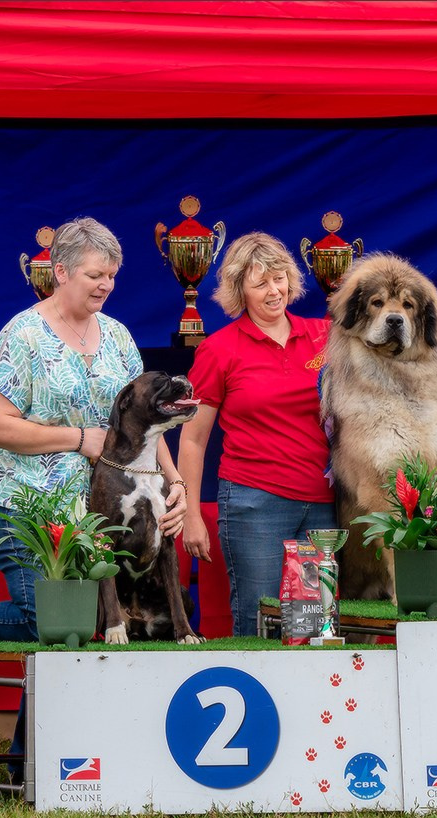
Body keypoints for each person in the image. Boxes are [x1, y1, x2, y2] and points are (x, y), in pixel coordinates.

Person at [0, 216, 187, 782]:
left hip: (101, 520)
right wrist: (77, 438)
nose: (106, 285)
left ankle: (29, 764)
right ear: (60, 271)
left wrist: (176, 486)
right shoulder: (21, 336)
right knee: (49, 619)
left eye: (112, 276)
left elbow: (150, 423)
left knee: (76, 631)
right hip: (29, 512)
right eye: (95, 275)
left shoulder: (118, 337)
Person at [178, 231, 336, 637]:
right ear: (239, 290)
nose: (273, 291)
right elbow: (192, 440)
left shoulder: (325, 337)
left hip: (323, 503)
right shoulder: (218, 349)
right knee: (261, 622)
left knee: (311, 627)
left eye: (279, 278)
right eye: (260, 283)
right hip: (254, 504)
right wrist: (191, 515)